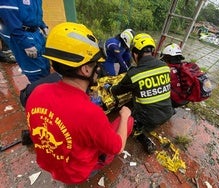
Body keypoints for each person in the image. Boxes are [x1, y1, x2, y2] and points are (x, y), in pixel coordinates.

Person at [25, 22, 134, 184]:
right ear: (85, 69)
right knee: (128, 122)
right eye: (97, 64)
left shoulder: (37, 92)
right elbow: (117, 148)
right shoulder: (91, 114)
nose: (99, 68)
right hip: (76, 173)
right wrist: (124, 116)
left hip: (49, 165)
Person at [105, 33, 174, 154]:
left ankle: (141, 135)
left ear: (135, 54)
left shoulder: (134, 74)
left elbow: (117, 90)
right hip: (168, 113)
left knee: (131, 119)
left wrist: (109, 88)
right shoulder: (164, 67)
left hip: (149, 119)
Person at [0, 0, 50, 82]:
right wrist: (26, 44)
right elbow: (10, 19)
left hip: (36, 32)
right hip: (22, 34)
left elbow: (35, 11)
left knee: (44, 64)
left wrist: (42, 25)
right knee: (35, 71)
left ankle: (46, 87)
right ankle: (38, 90)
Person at [160, 43, 189, 107]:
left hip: (175, 101)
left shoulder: (166, 70)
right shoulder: (183, 67)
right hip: (186, 99)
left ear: (167, 56)